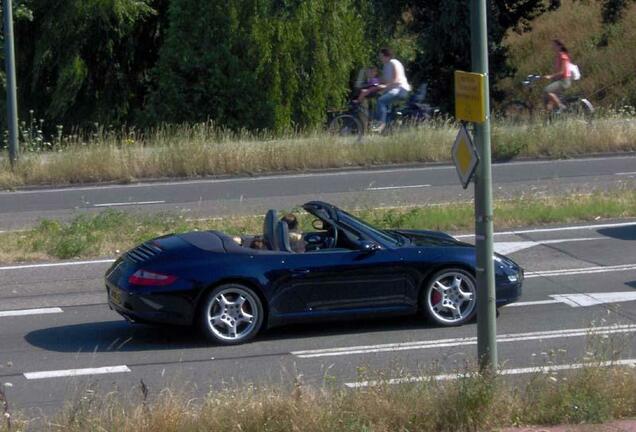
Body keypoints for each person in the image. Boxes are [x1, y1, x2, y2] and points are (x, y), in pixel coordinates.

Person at [373, 48, 411, 133]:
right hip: (394, 90)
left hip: (400, 89)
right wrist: (371, 82)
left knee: (381, 101)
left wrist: (385, 87)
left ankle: (381, 124)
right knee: (386, 107)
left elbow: (396, 79)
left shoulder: (394, 62)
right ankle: (390, 130)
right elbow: (383, 80)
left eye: (381, 56)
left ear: (387, 56)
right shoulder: (386, 66)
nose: (380, 58)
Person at [543, 39, 572, 112]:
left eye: (554, 45)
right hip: (560, 80)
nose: (553, 47)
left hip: (564, 81)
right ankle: (550, 116)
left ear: (559, 46)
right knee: (549, 98)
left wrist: (551, 76)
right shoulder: (558, 56)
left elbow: (562, 72)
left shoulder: (563, 56)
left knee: (547, 91)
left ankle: (561, 106)